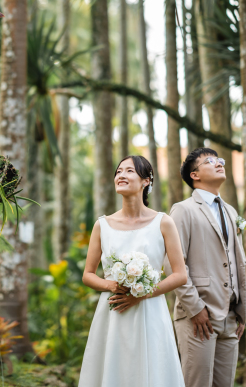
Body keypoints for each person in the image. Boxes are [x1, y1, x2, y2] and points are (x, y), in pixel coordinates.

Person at [79, 155, 188, 387]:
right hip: (114, 310)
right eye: (119, 171)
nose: (121, 175)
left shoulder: (163, 222)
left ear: (146, 180)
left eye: (129, 171)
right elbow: (88, 274)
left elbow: (180, 275)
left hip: (151, 310)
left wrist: (141, 294)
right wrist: (112, 285)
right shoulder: (102, 225)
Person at [169, 147, 246, 387]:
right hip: (198, 316)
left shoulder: (231, 211)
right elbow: (174, 263)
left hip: (231, 316)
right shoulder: (183, 210)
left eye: (220, 160)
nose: (219, 163)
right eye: (210, 161)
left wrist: (241, 310)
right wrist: (195, 309)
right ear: (195, 175)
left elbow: (237, 262)